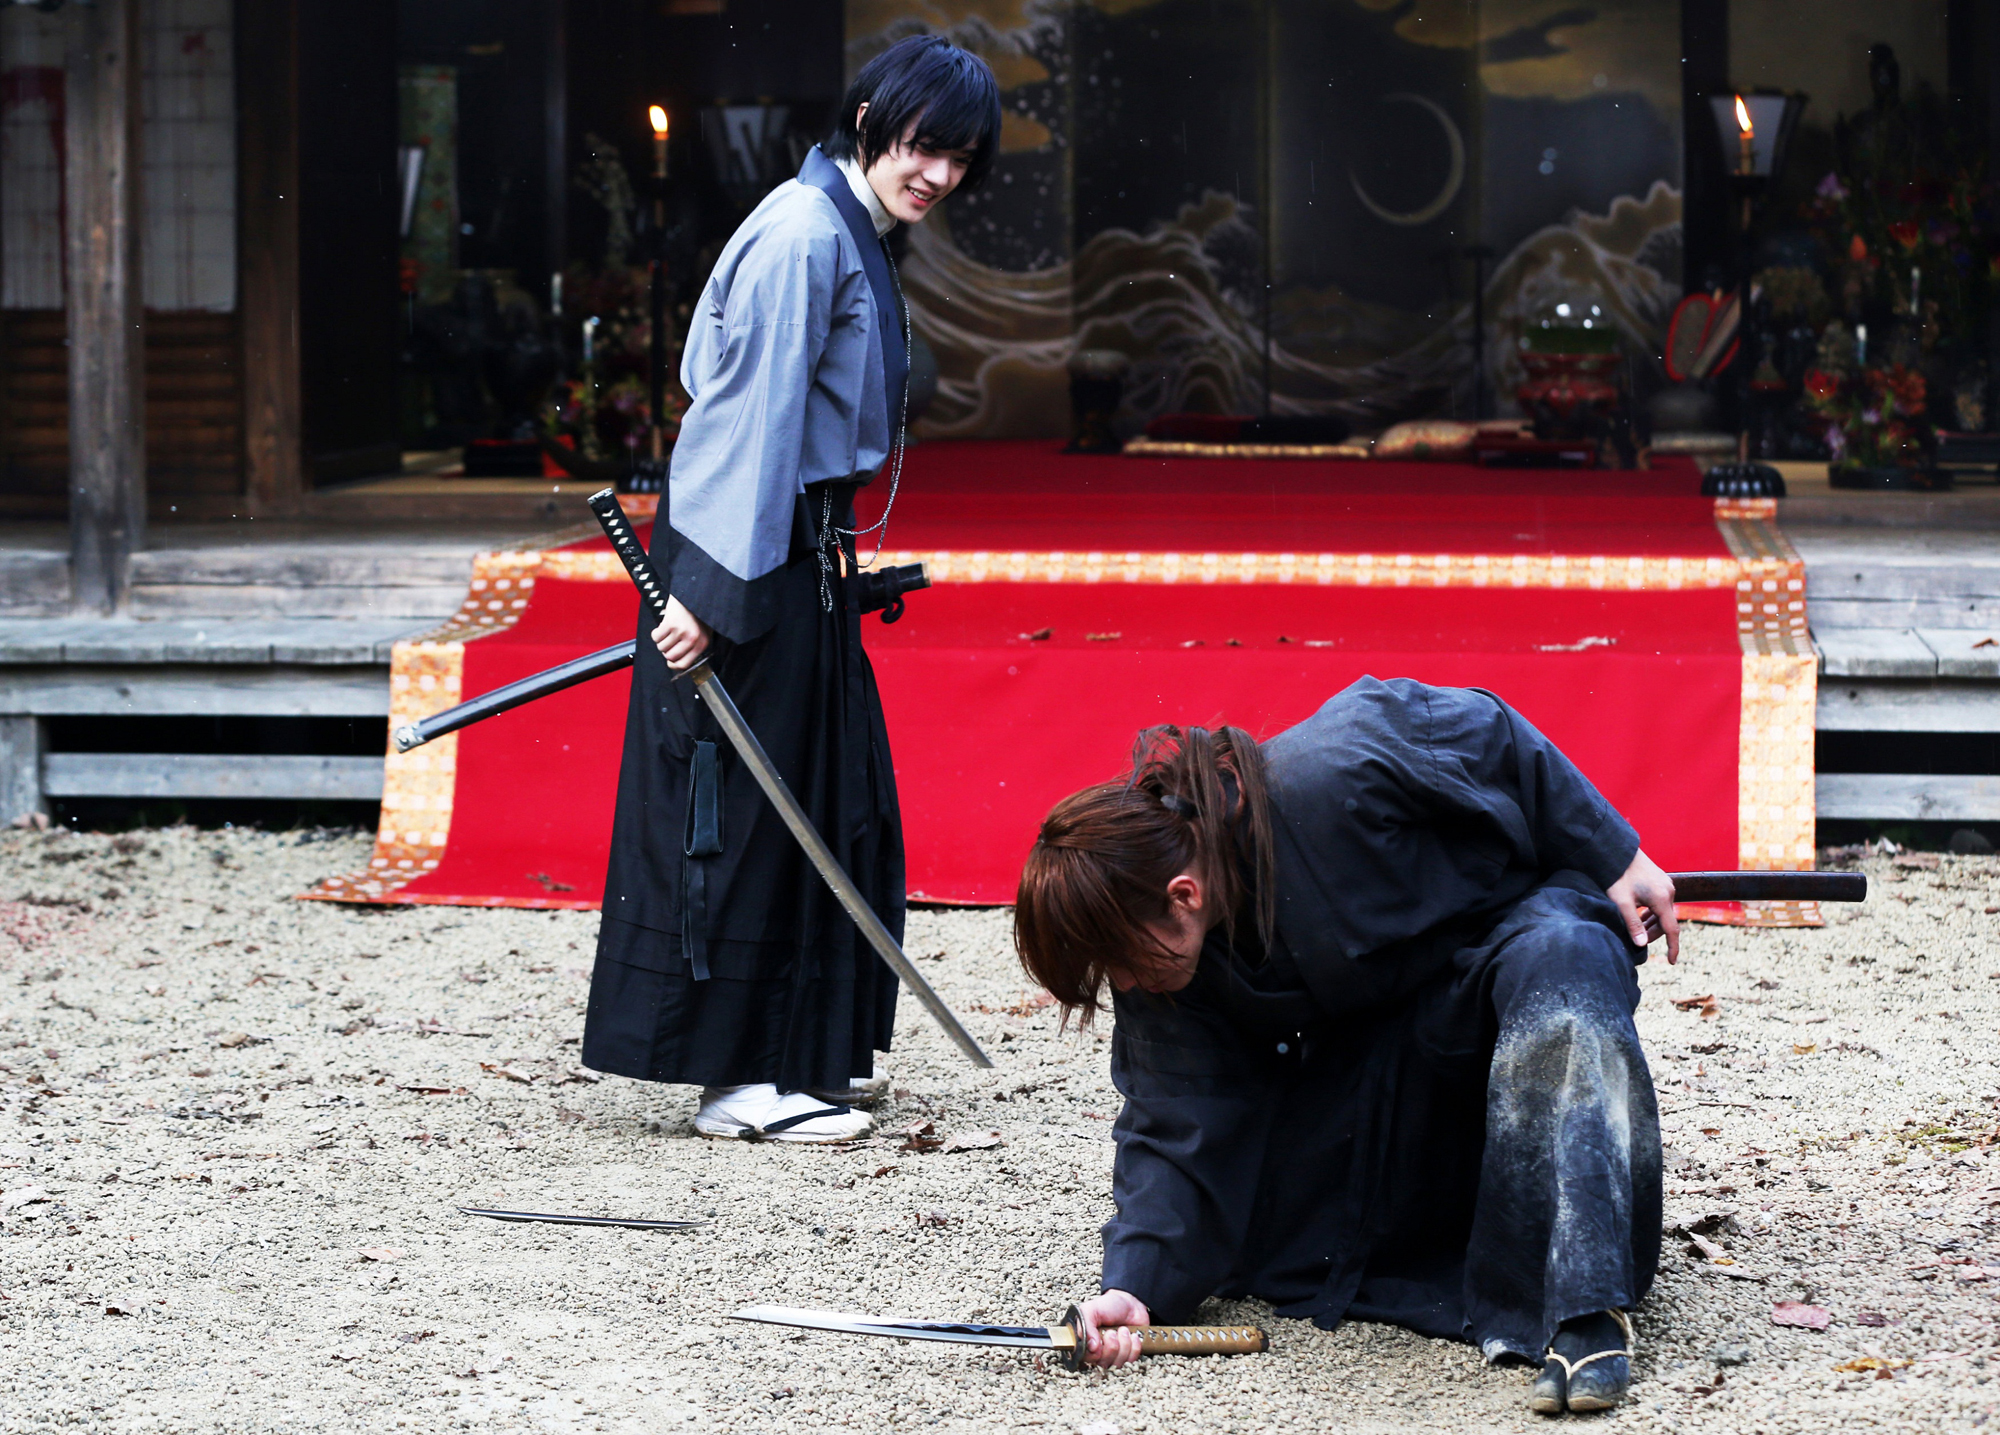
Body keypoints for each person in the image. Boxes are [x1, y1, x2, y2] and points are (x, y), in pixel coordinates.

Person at [1014, 678, 1680, 1415]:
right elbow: (1177, 1120)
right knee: (1280, 1237)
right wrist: (1132, 1283)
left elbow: (1491, 733)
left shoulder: (1338, 764)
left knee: (1564, 959)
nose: (1125, 982)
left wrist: (1614, 850)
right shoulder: (1172, 968)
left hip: (1505, 951)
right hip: (1382, 1071)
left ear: (1182, 895)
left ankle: (1584, 1304)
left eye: (1120, 961)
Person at [581, 37, 1001, 1144]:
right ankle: (737, 1080)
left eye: (958, 158)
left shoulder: (842, 227)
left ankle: (792, 1056)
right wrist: (707, 596)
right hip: (744, 553)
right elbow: (742, 420)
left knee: (816, 799)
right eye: (924, 145)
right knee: (748, 814)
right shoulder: (802, 234)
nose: (939, 175)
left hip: (791, 549)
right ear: (867, 115)